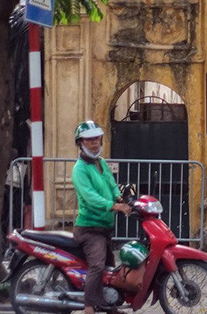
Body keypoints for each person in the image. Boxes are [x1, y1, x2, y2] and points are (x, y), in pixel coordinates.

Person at [72, 121, 132, 314]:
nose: (94, 143)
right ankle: (88, 307)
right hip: (89, 229)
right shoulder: (79, 169)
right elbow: (90, 197)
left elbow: (111, 184)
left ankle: (109, 306)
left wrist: (120, 197)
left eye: (96, 138)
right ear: (80, 143)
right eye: (89, 139)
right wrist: (114, 205)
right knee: (98, 266)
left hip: (104, 227)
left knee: (110, 270)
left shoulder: (101, 162)